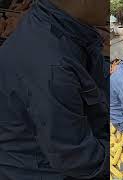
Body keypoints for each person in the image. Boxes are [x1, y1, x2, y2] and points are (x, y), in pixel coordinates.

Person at [0, 0, 109, 179]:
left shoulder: (66, 28)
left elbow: (99, 81)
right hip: (41, 170)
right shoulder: (52, 67)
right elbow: (78, 159)